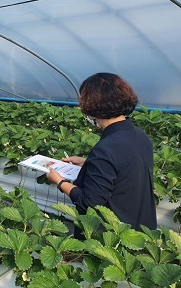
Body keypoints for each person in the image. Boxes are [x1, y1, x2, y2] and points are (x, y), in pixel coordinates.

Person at [47, 72, 157, 237]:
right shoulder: (140, 135)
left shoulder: (106, 149)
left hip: (112, 237)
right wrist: (89, 162)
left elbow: (89, 202)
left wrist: (59, 181)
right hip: (140, 228)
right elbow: (123, 168)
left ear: (91, 106)